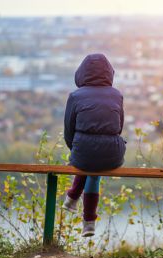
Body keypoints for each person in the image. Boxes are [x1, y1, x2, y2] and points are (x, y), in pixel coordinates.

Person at [62, 53, 126, 237]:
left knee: (88, 159)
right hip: (112, 153)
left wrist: (75, 150)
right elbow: (119, 127)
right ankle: (87, 220)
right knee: (95, 168)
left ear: (81, 73)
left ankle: (74, 200)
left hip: (83, 152)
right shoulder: (117, 95)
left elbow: (69, 129)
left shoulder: (75, 96)